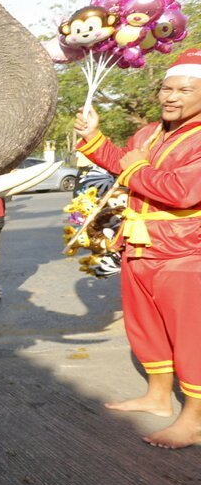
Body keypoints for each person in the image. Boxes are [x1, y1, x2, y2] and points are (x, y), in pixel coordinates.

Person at [74, 48, 201, 449]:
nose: (171, 96)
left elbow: (181, 191)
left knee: (191, 336)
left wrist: (133, 168)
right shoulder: (147, 133)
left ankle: (194, 419)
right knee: (145, 326)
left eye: (184, 89)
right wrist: (93, 137)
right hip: (139, 244)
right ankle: (158, 397)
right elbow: (120, 163)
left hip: (186, 252)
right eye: (166, 87)